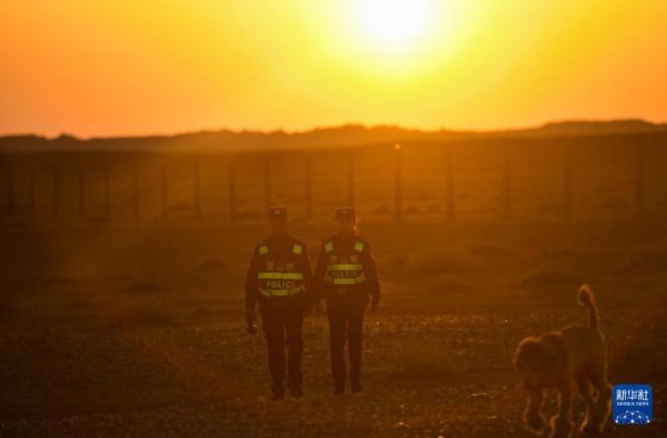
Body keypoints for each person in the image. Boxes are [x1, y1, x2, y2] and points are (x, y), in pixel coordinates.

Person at [245, 206, 314, 400]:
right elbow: (251, 280)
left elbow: (308, 276)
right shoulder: (262, 248)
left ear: (287, 223)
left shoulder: (298, 247)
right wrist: (249, 307)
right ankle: (277, 386)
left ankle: (295, 385)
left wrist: (309, 301)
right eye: (275, 223)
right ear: (271, 224)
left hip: (294, 306)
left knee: (294, 345)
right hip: (270, 307)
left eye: (281, 223)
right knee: (274, 347)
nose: (278, 227)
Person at [315, 207, 380, 395]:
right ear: (337, 222)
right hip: (335, 301)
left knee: (354, 341)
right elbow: (320, 272)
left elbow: (371, 272)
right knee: (336, 342)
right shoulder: (328, 245)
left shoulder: (362, 245)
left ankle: (355, 379)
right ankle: (338, 383)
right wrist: (316, 298)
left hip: (356, 301)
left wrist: (375, 297)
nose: (344, 224)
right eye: (341, 221)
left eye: (348, 220)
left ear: (353, 222)